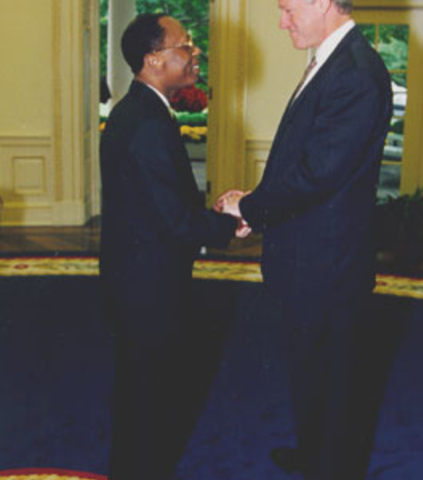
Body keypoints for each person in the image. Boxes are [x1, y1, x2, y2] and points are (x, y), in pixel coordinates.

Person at [217, 0, 392, 478]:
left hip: (327, 265)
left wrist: (249, 208)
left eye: (288, 9)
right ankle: (316, 453)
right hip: (310, 254)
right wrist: (259, 201)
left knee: (331, 381)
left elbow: (318, 173)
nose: (281, 21)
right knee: (312, 372)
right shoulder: (332, 60)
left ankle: (329, 465)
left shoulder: (355, 71)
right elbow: (305, 161)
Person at [99, 13, 246, 480]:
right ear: (154, 59)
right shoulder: (145, 124)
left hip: (140, 277)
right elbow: (178, 219)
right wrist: (227, 223)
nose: (195, 52)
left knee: (144, 393)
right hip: (147, 286)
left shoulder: (141, 111)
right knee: (148, 395)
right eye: (187, 45)